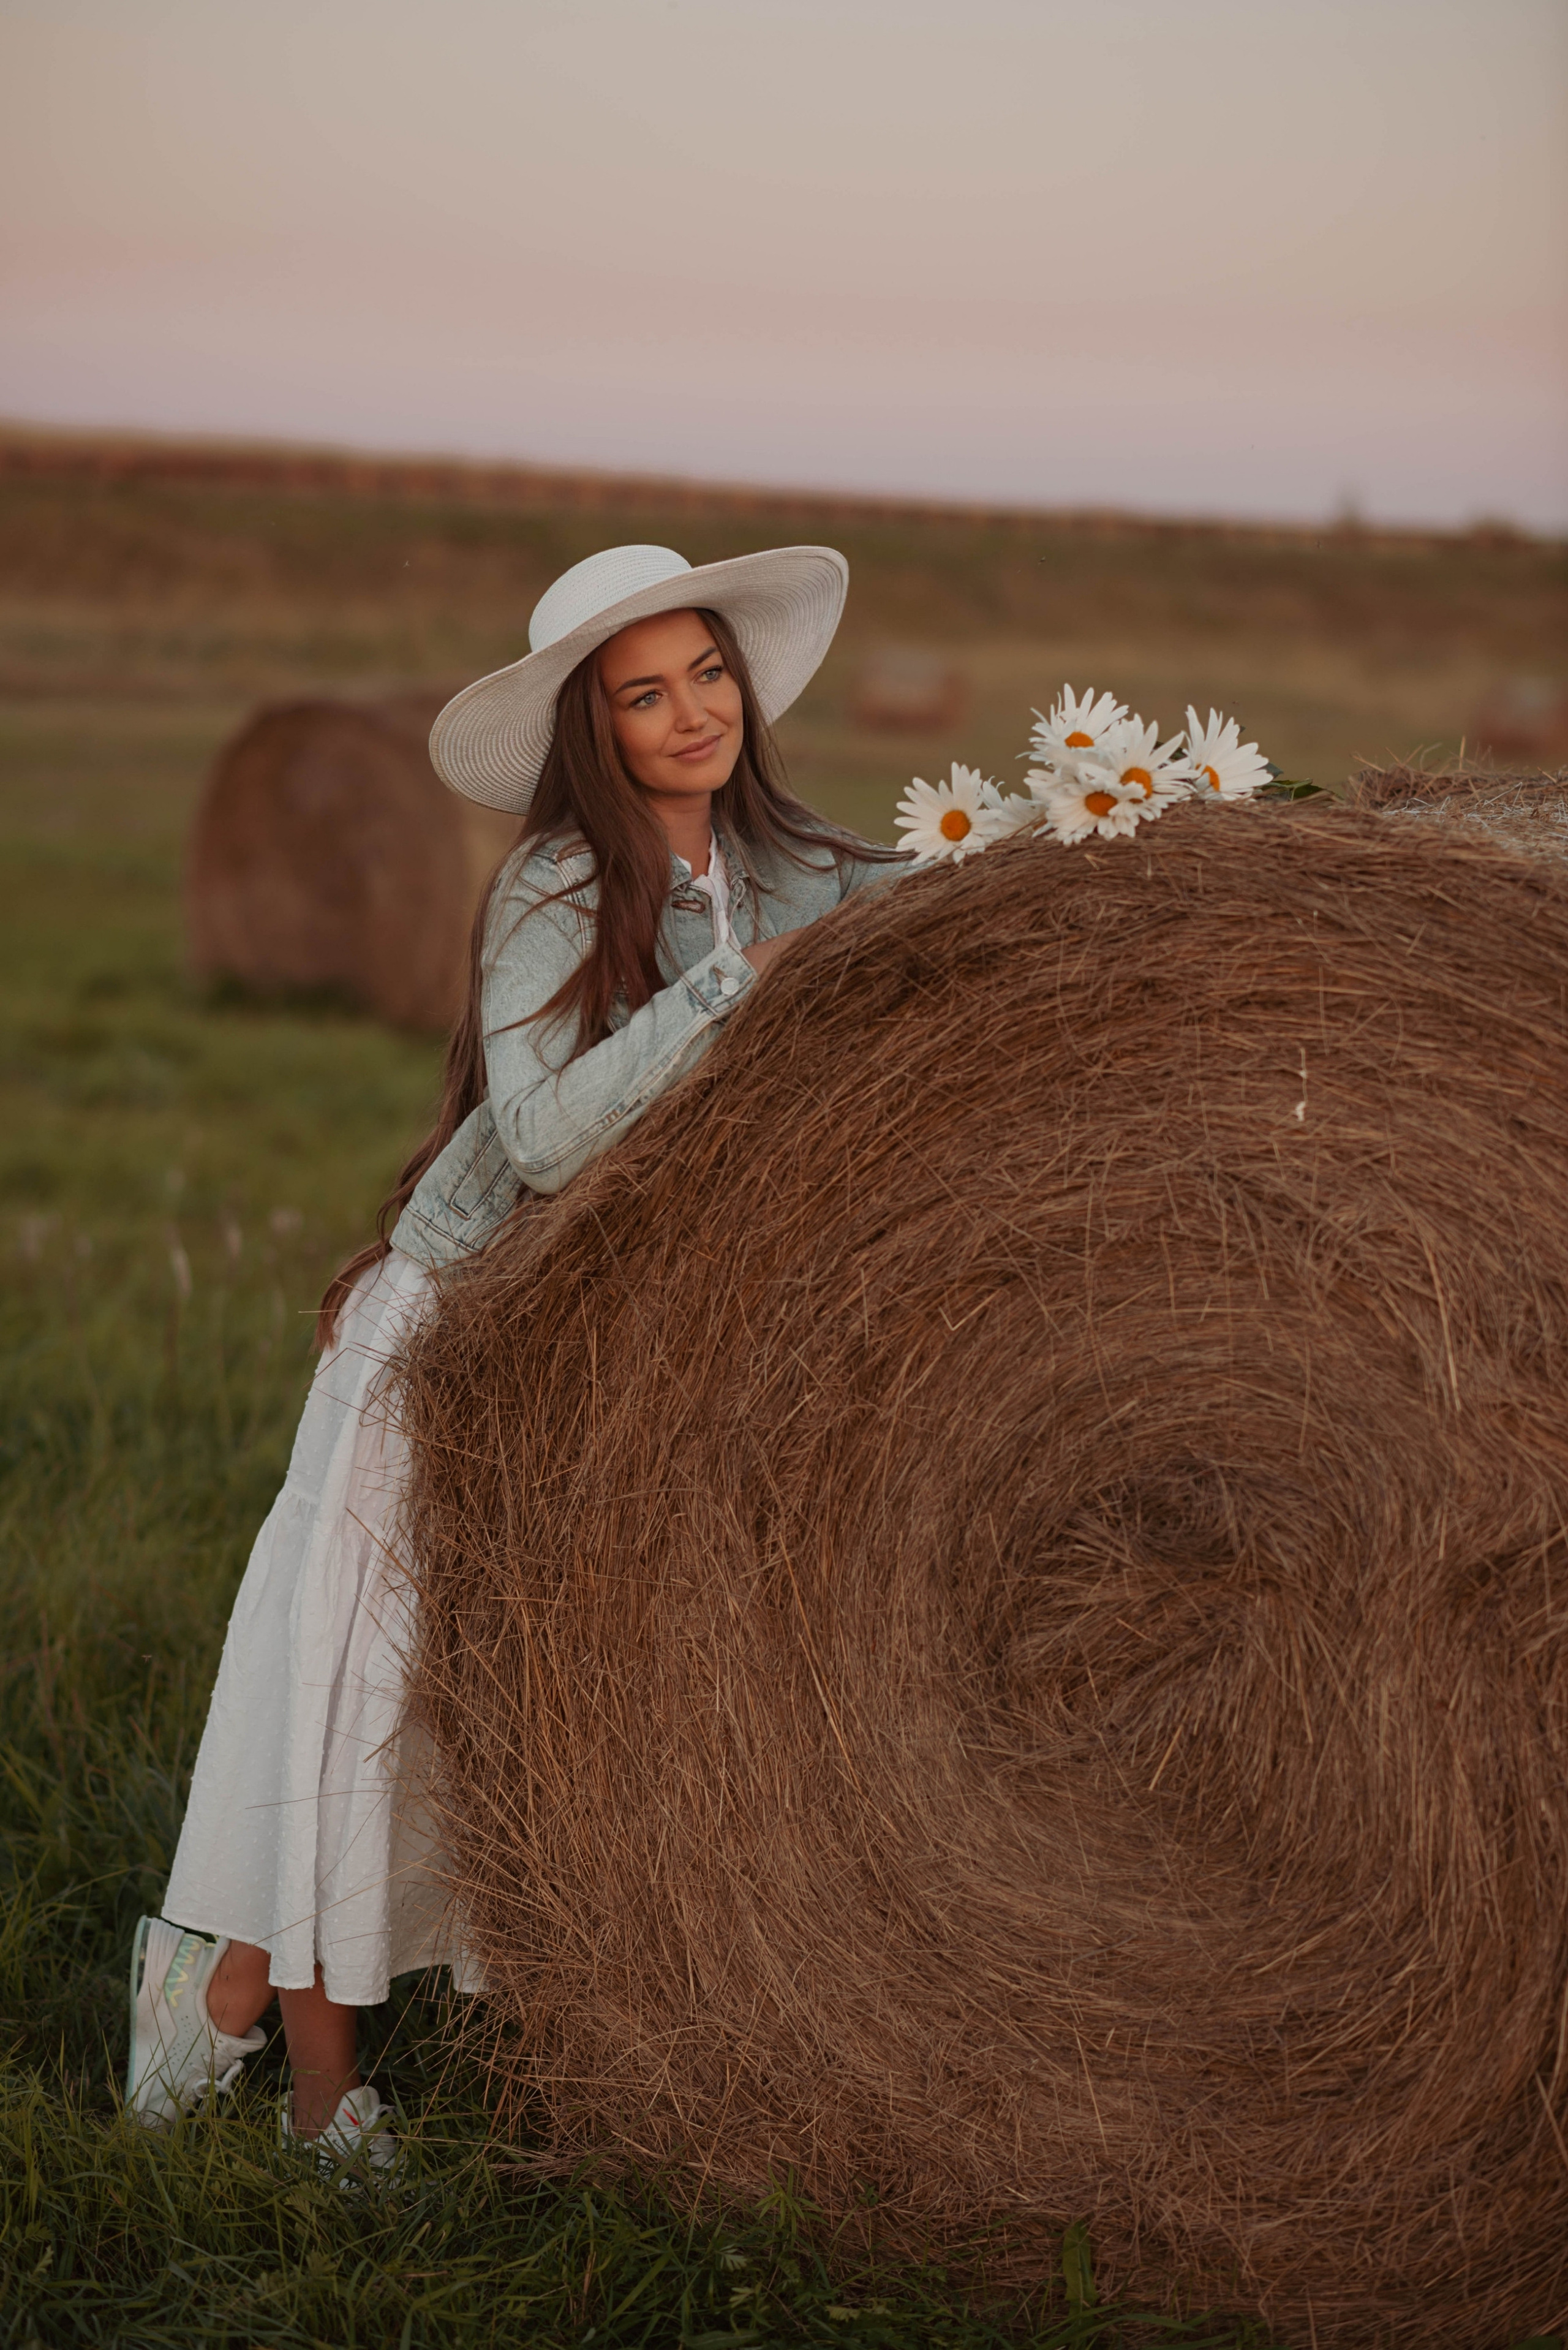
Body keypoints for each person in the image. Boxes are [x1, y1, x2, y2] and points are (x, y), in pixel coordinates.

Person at [126, 540, 903, 2169]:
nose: (690, 712)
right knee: (362, 1685)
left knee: (480, 1691)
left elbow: (925, 932)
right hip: (458, 1320)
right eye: (645, 692)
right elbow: (543, 1134)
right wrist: (725, 992)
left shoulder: (807, 865)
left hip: (609, 1341)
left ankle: (216, 1998)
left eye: (708, 673)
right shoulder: (555, 888)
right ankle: (329, 2104)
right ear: (592, 729)